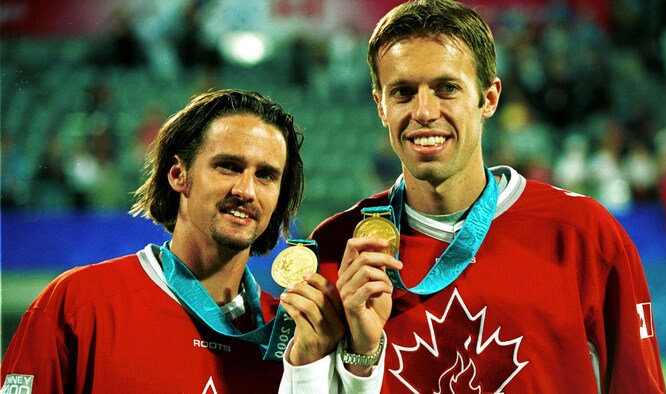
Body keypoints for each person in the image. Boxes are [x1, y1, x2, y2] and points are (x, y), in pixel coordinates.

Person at [312, 1, 666, 392]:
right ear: (381, 105)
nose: (425, 111)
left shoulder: (583, 233)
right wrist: (361, 358)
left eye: (447, 88)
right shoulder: (338, 247)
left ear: (489, 97)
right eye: (403, 92)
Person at [1, 89, 382, 393]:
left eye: (266, 176)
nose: (246, 190)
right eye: (228, 166)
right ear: (179, 174)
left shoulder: (293, 333)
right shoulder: (80, 303)